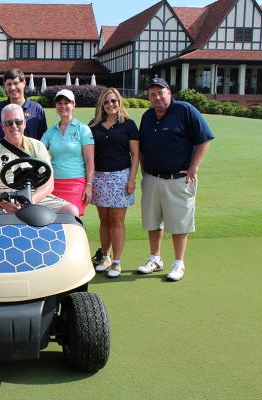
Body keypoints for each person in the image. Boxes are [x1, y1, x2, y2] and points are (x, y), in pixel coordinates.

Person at [137, 77, 214, 281]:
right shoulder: (147, 117)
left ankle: (179, 263)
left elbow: (204, 139)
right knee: (153, 222)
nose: (157, 97)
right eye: (152, 94)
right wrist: (144, 169)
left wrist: (193, 167)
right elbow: (142, 148)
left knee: (179, 224)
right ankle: (155, 258)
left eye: (161, 92)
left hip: (179, 179)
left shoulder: (185, 110)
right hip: (152, 178)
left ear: (169, 93)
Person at [0, 103, 78, 216]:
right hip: (2, 195)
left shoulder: (38, 146)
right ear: (2, 126)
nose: (14, 126)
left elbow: (48, 183)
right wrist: (5, 203)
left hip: (34, 194)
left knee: (71, 211)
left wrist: (31, 200)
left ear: (24, 124)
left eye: (18, 122)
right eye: (9, 123)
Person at [89, 88, 139, 278]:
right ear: (101, 105)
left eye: (114, 101)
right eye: (107, 102)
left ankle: (117, 262)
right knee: (104, 220)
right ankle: (105, 257)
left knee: (117, 220)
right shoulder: (93, 126)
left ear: (119, 103)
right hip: (100, 177)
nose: (111, 105)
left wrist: (132, 178)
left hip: (121, 177)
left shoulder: (129, 125)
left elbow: (135, 155)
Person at [41, 89, 94, 216]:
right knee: (54, 223)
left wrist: (89, 186)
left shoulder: (83, 129)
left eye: (66, 102)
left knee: (73, 221)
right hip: (53, 184)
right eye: (59, 103)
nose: (63, 106)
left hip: (76, 183)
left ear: (73, 105)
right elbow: (39, 150)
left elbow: (89, 160)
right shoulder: (51, 131)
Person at [0, 68, 47, 145]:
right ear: (5, 86)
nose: (12, 87)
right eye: (9, 84)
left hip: (30, 156)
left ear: (24, 83)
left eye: (16, 83)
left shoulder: (36, 109)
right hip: (3, 156)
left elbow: (44, 140)